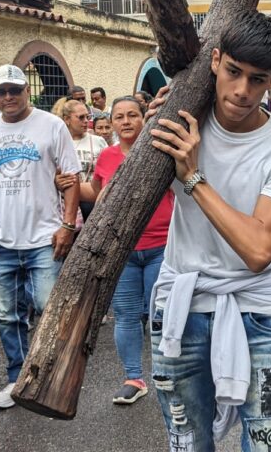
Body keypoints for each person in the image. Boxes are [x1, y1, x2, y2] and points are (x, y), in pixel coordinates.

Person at [147, 11, 271, 451]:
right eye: (233, 72)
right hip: (180, 305)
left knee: (270, 444)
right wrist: (147, 134)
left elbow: (259, 249)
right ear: (216, 60)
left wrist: (194, 179)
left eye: (257, 80)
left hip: (258, 310)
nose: (241, 91)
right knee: (187, 443)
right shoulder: (180, 122)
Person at [0, 64, 81, 410]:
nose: (8, 97)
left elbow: (72, 176)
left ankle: (47, 378)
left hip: (43, 240)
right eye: (1, 92)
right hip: (1, 242)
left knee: (49, 310)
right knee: (7, 316)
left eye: (14, 90)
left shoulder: (52, 125)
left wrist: (66, 226)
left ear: (26, 91)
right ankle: (17, 379)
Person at [80, 96, 174, 404]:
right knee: (126, 315)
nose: (125, 121)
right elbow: (95, 192)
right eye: (118, 116)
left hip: (162, 246)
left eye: (132, 115)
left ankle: (166, 371)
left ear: (143, 117)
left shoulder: (161, 147)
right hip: (122, 252)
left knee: (162, 315)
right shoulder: (106, 156)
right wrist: (65, 182)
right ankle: (134, 377)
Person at [62, 100, 107, 221]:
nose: (86, 121)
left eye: (88, 117)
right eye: (81, 117)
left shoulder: (98, 141)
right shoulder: (60, 142)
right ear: (67, 119)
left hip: (93, 201)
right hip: (66, 202)